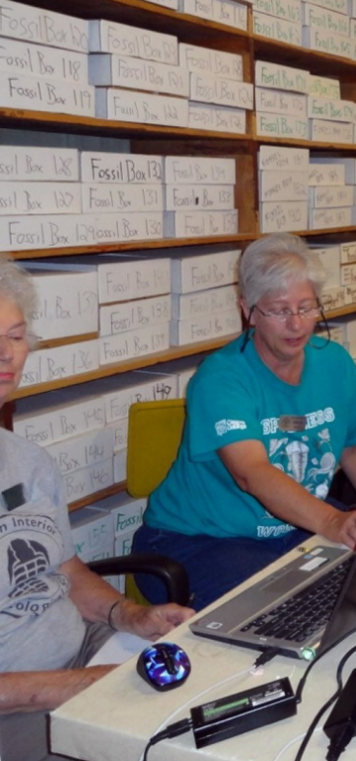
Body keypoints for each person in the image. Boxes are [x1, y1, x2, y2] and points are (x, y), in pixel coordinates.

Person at [0, 256, 194, 761]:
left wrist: (131, 616)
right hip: (17, 704)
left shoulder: (27, 459)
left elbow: (64, 570)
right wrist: (79, 688)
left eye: (16, 335)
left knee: (208, 701)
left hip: (81, 652)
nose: (6, 353)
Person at [132, 234, 356, 610]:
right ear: (248, 311)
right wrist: (333, 522)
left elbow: (353, 449)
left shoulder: (334, 362)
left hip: (291, 527)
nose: (296, 324)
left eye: (306, 307)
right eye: (279, 311)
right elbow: (251, 473)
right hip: (200, 539)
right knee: (287, 610)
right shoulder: (221, 378)